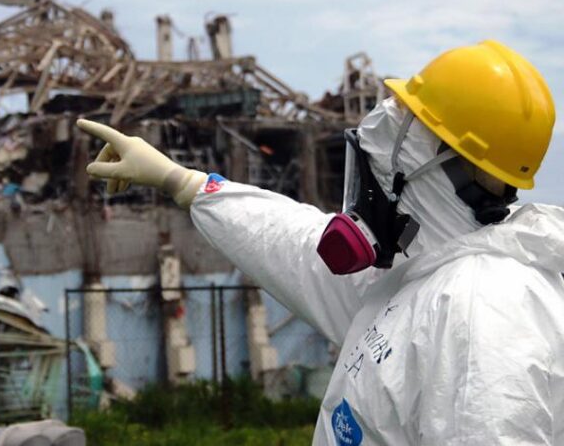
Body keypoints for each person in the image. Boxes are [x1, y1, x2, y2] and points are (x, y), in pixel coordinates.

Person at [77, 40, 564, 445]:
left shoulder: (483, 312)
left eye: (401, 124)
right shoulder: (422, 271)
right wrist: (184, 182)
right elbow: (292, 243)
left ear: (430, 157)